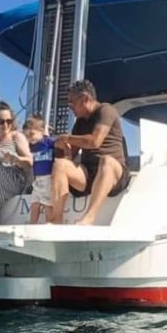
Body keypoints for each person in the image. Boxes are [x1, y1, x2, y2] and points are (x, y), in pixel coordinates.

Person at [49, 79, 130, 225]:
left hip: (114, 174)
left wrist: (67, 138)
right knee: (60, 165)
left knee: (107, 161)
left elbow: (95, 141)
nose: (70, 107)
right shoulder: (80, 122)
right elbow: (70, 156)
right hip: (89, 175)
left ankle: (89, 217)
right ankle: (57, 220)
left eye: (71, 103)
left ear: (85, 99)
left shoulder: (106, 110)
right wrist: (60, 147)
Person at [23, 116, 55, 224]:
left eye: (31, 134)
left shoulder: (48, 143)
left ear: (41, 131)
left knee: (47, 202)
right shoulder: (30, 147)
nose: (30, 138)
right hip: (37, 179)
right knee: (35, 202)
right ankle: (32, 223)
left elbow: (59, 147)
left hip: (48, 177)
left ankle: (49, 222)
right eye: (27, 136)